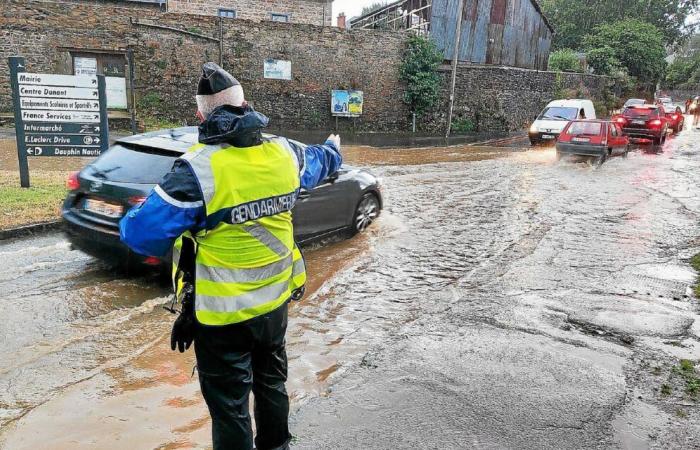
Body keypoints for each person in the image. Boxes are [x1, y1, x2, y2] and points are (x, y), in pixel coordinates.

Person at [119, 62, 343, 450]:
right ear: (246, 105)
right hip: (274, 305)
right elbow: (325, 161)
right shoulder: (285, 153)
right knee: (272, 383)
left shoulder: (195, 172)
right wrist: (334, 148)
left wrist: (138, 207)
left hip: (221, 319)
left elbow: (139, 234)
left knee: (230, 408)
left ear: (199, 115)